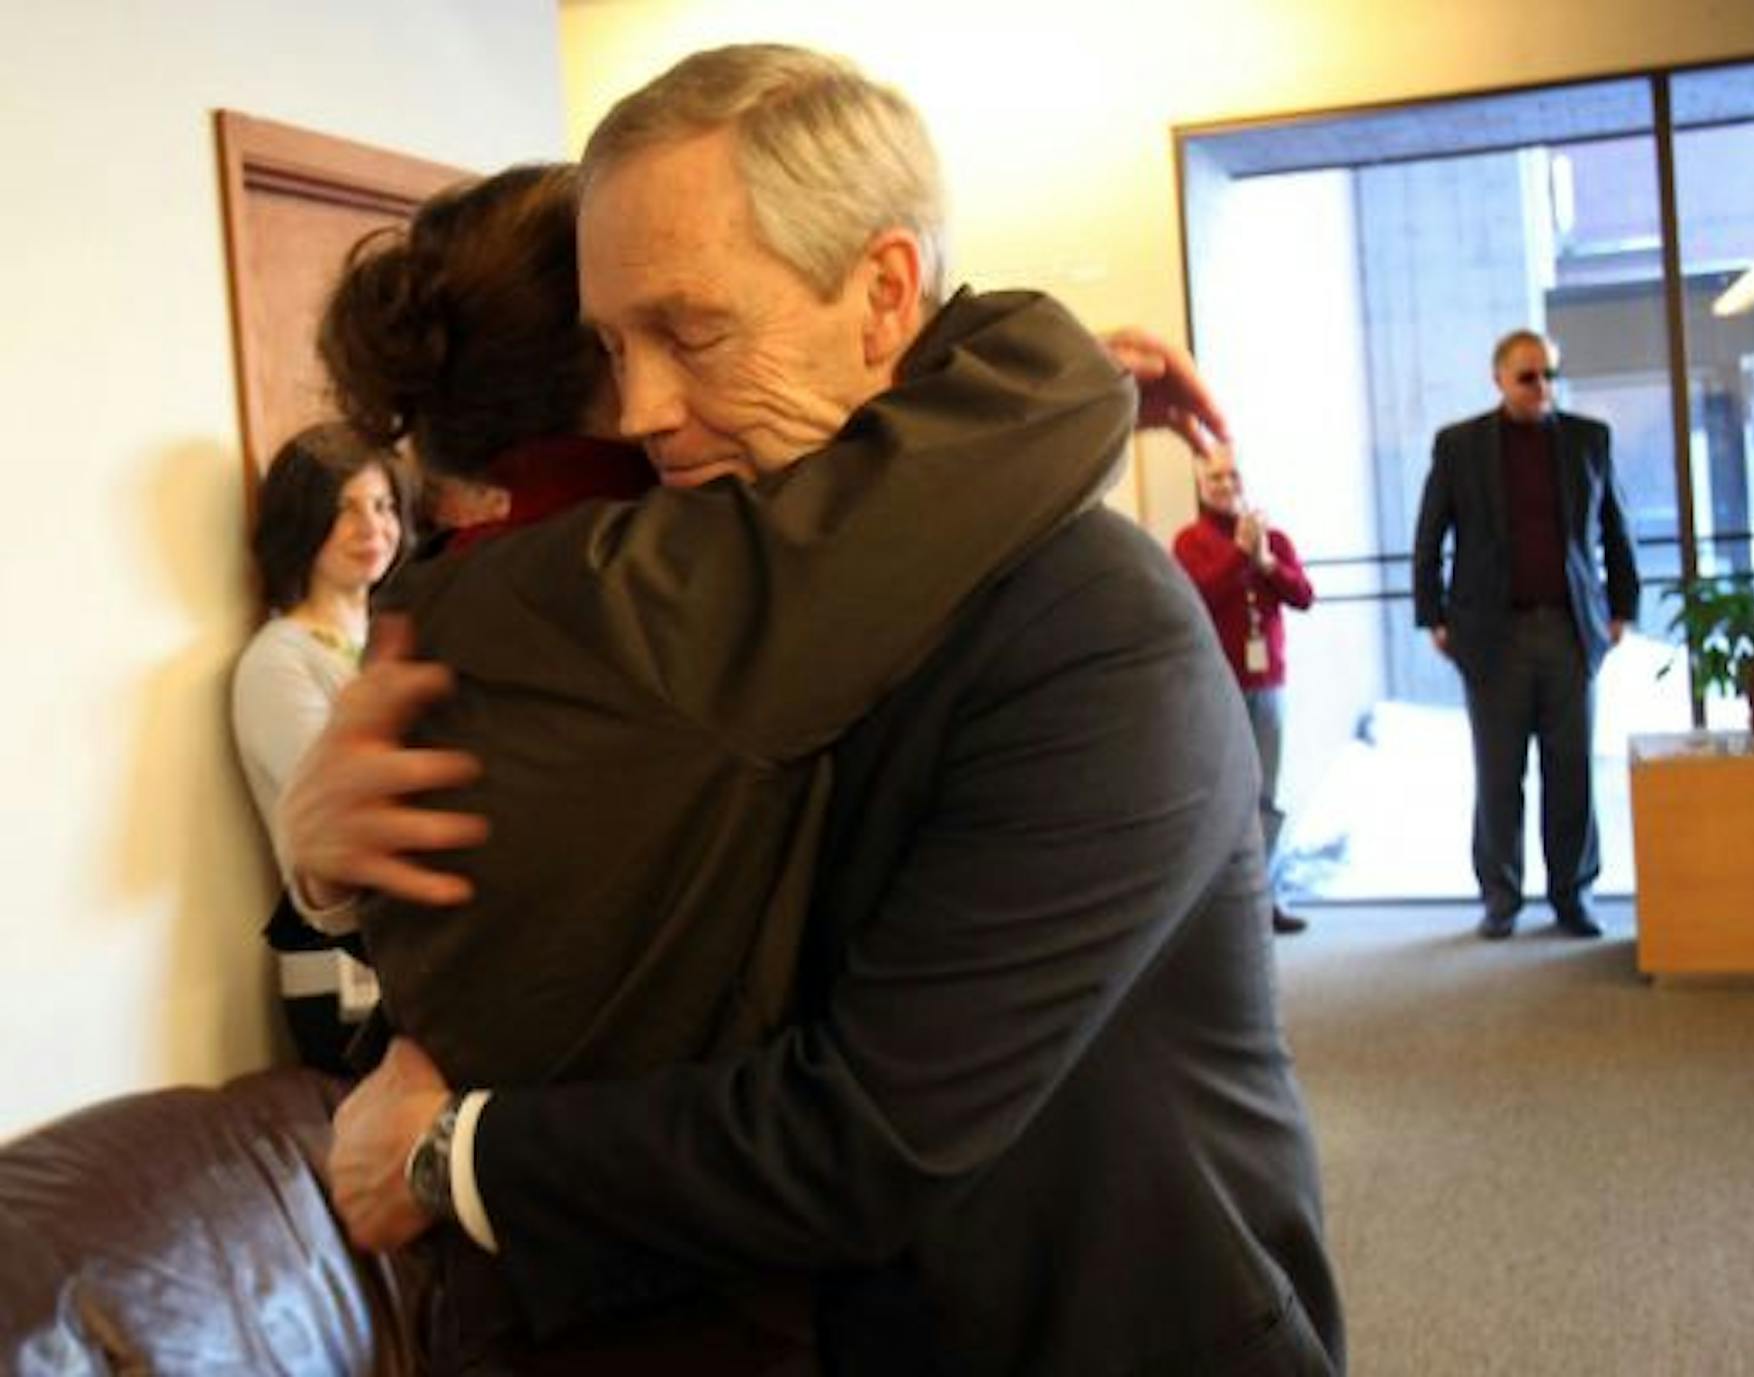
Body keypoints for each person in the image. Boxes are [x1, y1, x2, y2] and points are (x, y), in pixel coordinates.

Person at [287, 45, 1342, 1375]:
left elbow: (872, 1130)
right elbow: (594, 948)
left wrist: (452, 1153)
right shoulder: (713, 575)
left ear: (886, 293)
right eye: (613, 349)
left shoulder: (1093, 621)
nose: (645, 411)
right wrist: (327, 867)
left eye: (694, 332)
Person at [1412, 328, 1638, 940]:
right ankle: (1501, 898)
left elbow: (1615, 529)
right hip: (1491, 635)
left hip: (1569, 631)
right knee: (1498, 772)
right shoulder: (1460, 447)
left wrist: (1621, 608)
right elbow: (1430, 534)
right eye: (1528, 377)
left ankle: (1573, 894)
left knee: (1571, 772)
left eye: (1549, 375)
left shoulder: (1588, 440)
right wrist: (1432, 615)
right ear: (1499, 380)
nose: (1542, 388)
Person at [230, 422, 412, 1072]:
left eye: (384, 505)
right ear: (301, 521)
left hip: (412, 953)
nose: (373, 527)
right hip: (341, 971)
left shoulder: (397, 635)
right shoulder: (278, 659)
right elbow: (353, 805)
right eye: (345, 509)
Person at [1174, 442, 1315, 935]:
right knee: (1224, 792)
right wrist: (1239, 555)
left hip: (1268, 682)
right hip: (1219, 685)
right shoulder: (1191, 542)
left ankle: (1266, 896)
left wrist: (1266, 560)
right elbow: (1199, 594)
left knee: (1267, 794)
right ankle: (1228, 904)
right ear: (1200, 486)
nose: (1227, 486)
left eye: (1233, 476)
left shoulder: (1271, 537)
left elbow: (1303, 595)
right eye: (1215, 479)